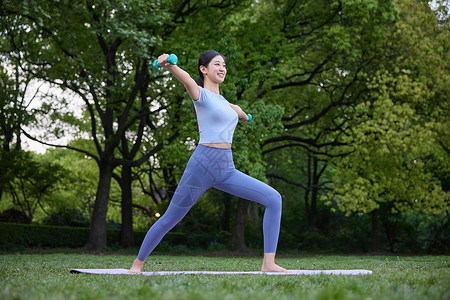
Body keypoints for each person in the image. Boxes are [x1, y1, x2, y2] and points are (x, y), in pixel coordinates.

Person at [129, 50, 288, 273]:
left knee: (274, 198)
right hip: (202, 167)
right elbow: (186, 79)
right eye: (216, 64)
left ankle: (268, 264)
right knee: (170, 219)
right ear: (203, 69)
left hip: (226, 170)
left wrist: (243, 115)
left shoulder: (227, 104)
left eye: (224, 64)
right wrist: (170, 65)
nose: (222, 68)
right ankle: (137, 264)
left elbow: (237, 112)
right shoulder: (201, 95)